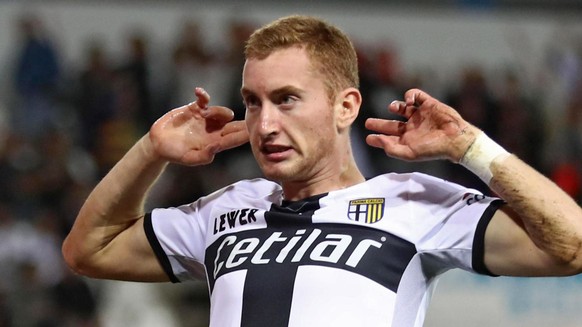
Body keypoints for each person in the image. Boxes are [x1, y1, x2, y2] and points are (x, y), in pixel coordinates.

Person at [62, 15, 582, 326]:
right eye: (252, 102)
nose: (265, 123)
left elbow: (571, 244)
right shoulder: (225, 210)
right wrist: (151, 151)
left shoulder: (415, 203)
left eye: (287, 99)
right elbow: (89, 250)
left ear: (345, 107)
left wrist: (471, 147)